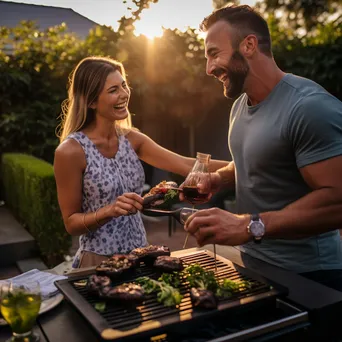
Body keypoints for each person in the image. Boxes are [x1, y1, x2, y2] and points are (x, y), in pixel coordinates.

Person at [184, 5, 342, 290]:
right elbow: (253, 160)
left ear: (249, 45)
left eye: (213, 54)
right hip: (254, 264)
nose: (208, 69)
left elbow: (338, 200)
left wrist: (248, 226)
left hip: (312, 276)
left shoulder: (309, 107)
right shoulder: (239, 106)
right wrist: (219, 179)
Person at [54, 56, 227, 268]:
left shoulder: (132, 139)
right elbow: (71, 223)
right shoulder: (70, 151)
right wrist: (110, 210)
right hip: (97, 263)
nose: (124, 94)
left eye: (124, 86)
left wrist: (246, 166)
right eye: (113, 90)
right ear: (90, 101)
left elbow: (186, 164)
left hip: (141, 256)